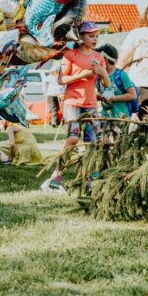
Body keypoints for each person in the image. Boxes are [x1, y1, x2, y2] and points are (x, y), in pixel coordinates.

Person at [42, 21, 110, 193]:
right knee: (72, 139)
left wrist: (103, 73)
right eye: (91, 36)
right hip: (73, 102)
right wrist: (84, 74)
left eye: (96, 36)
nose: (95, 39)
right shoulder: (70, 56)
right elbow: (61, 80)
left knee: (91, 143)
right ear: (80, 36)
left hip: (91, 104)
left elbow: (105, 85)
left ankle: (89, 182)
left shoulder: (99, 57)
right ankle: (55, 178)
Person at [96, 45, 138, 119]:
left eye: (97, 59)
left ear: (105, 60)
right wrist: (99, 96)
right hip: (105, 116)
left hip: (121, 117)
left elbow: (132, 95)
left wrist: (112, 98)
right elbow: (99, 91)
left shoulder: (121, 75)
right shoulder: (99, 76)